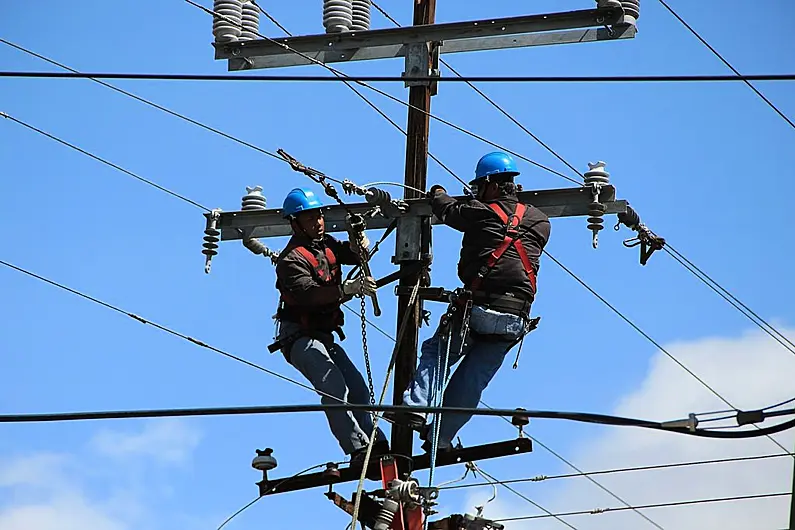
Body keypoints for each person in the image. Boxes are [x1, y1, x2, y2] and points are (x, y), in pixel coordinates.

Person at [388, 152, 551, 453]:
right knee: (473, 378)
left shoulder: (480, 211)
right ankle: (441, 437)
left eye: (479, 187)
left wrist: (437, 192)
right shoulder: (540, 222)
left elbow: (447, 209)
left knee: (438, 353)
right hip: (515, 318)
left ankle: (415, 407)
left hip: (478, 308)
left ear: (490, 185)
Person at [273, 187, 389, 465]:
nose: (318, 221)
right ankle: (358, 449)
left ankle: (376, 441)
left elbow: (354, 255)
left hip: (323, 337)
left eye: (319, 215)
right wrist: (347, 289)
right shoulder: (291, 260)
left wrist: (357, 238)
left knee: (358, 389)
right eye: (310, 217)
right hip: (299, 337)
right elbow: (309, 294)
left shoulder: (326, 246)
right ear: (295, 223)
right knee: (334, 387)